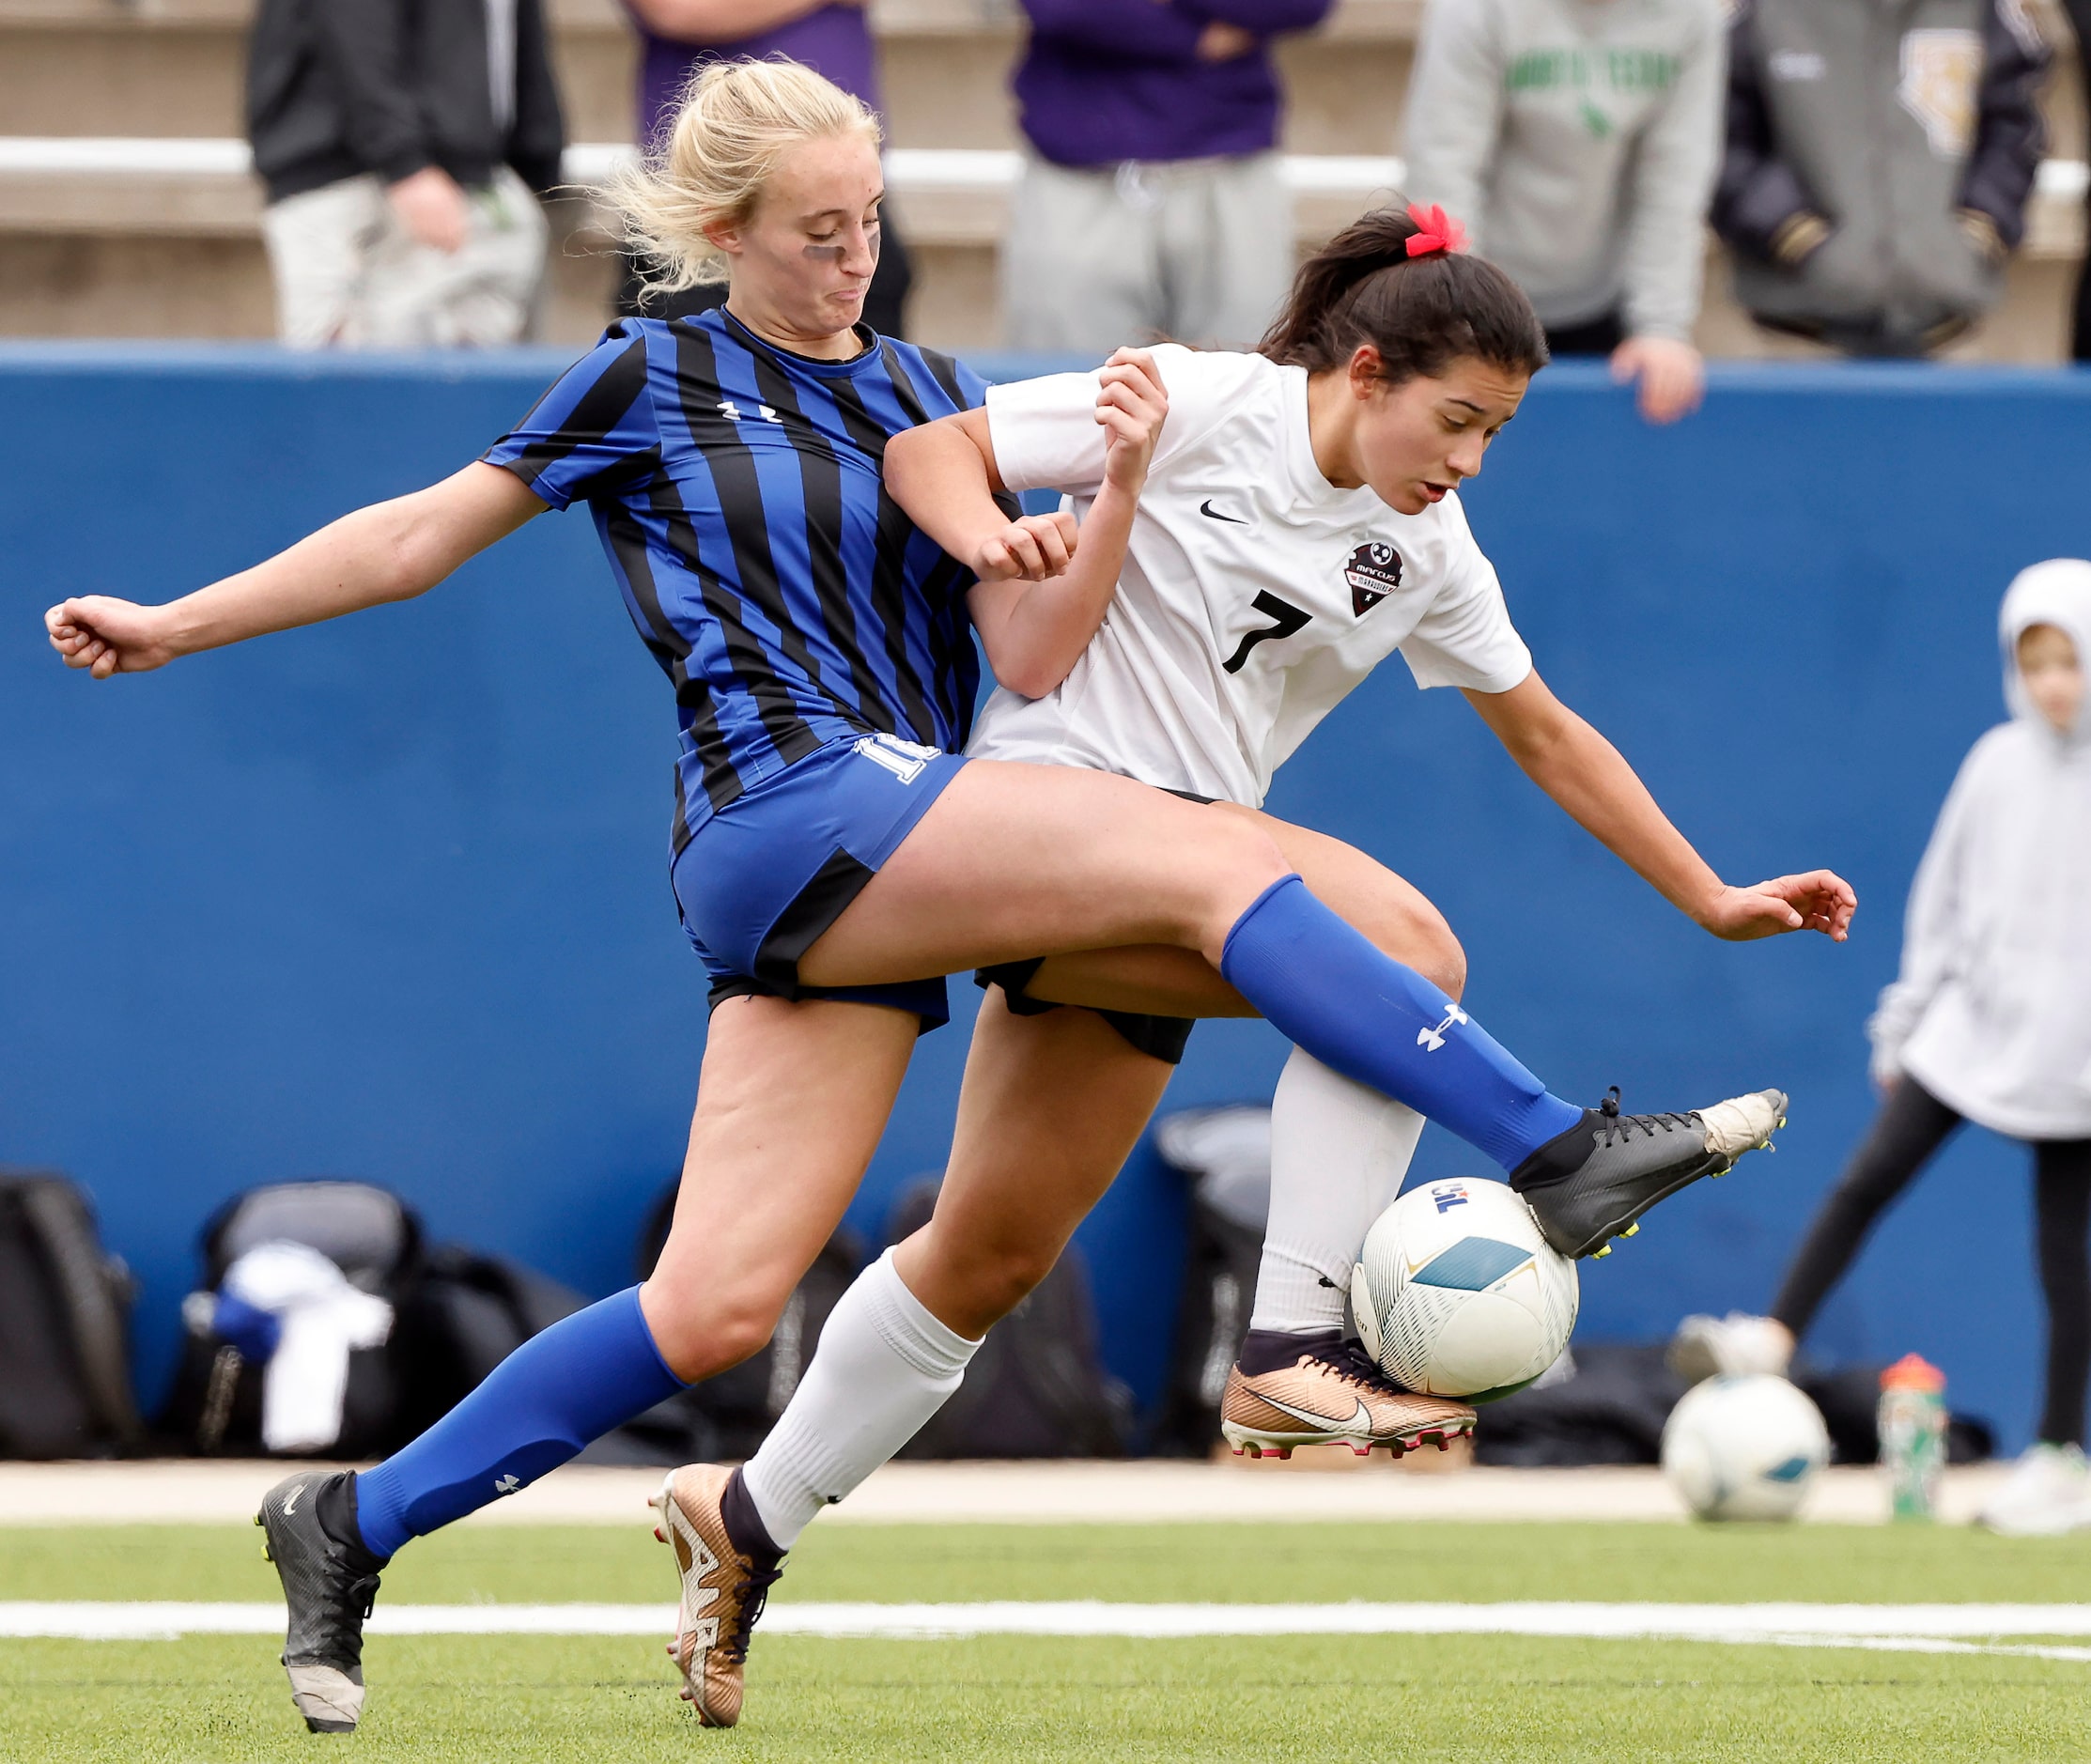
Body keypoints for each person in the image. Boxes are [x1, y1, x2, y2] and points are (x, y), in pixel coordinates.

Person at [50, 67, 1820, 1734]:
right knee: (1261, 876)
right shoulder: (646, 375)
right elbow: (414, 535)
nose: (853, 256)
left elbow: (1032, 649)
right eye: (817, 229)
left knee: (733, 1303)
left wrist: (1089, 506)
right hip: (786, 810)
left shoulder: (918, 390)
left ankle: (361, 1520)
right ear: (719, 230)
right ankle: (1520, 1169)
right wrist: (177, 618)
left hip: (924, 852)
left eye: (872, 219)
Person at [653, 201, 1858, 1725]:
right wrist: (993, 539)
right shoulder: (1209, 397)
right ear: (1364, 370)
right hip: (1044, 824)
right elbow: (926, 451)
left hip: (1178, 891)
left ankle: (742, 1523)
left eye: (1498, 432)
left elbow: (1543, 727)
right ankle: (1323, 1318)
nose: (1470, 457)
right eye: (1459, 417)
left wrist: (1709, 894)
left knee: (984, 1260)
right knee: (1404, 942)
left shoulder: (1423, 540)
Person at [1674, 562, 2091, 1536]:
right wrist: (1903, 1024)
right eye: (2037, 665)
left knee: (2065, 1252)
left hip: (2077, 1062)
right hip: (1971, 1033)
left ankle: (2061, 1455)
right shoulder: (1995, 763)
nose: (2055, 684)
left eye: (2071, 662)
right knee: (1866, 1180)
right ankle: (1771, 1338)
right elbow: (1945, 905)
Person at [1401, 0, 1725, 426]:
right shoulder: (1475, 10)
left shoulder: (1692, 15)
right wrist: (1461, 316)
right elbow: (1443, 171)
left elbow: (1675, 176)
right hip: (1474, 304)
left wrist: (1661, 326)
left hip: (1601, 304)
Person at [1712, 0, 2049, 359]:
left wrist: (1981, 226)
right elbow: (1720, 133)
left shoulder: (1980, 10)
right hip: (1797, 334)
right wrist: (1789, 230)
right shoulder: (1766, 12)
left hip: (1947, 332)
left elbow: (2014, 128)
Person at [1001, 0, 1335, 353]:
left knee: (1243, 392)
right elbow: (1062, 8)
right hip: (1077, 178)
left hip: (1231, 171)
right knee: (1066, 395)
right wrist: (1193, 35)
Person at [245, 0, 565, 348]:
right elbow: (352, 22)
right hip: (359, 179)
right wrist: (404, 164)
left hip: (471, 179)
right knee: (348, 391)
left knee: (464, 389)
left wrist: (538, 167)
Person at [615, 2, 913, 333]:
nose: (861, 263)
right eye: (823, 233)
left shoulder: (925, 374)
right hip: (714, 193)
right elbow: (678, 9)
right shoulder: (636, 368)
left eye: (870, 222)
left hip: (844, 181)